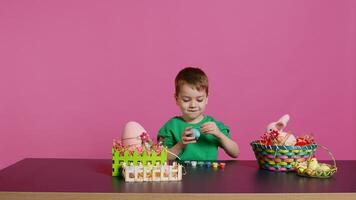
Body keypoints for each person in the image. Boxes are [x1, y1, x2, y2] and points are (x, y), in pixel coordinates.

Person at [157, 67, 239, 160]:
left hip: (209, 174)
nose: (193, 105)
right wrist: (180, 144)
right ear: (177, 99)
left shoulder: (214, 126)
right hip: (182, 173)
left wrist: (219, 135)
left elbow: (235, 152)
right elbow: (162, 157)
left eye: (199, 100)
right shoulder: (171, 126)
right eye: (186, 100)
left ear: (206, 99)